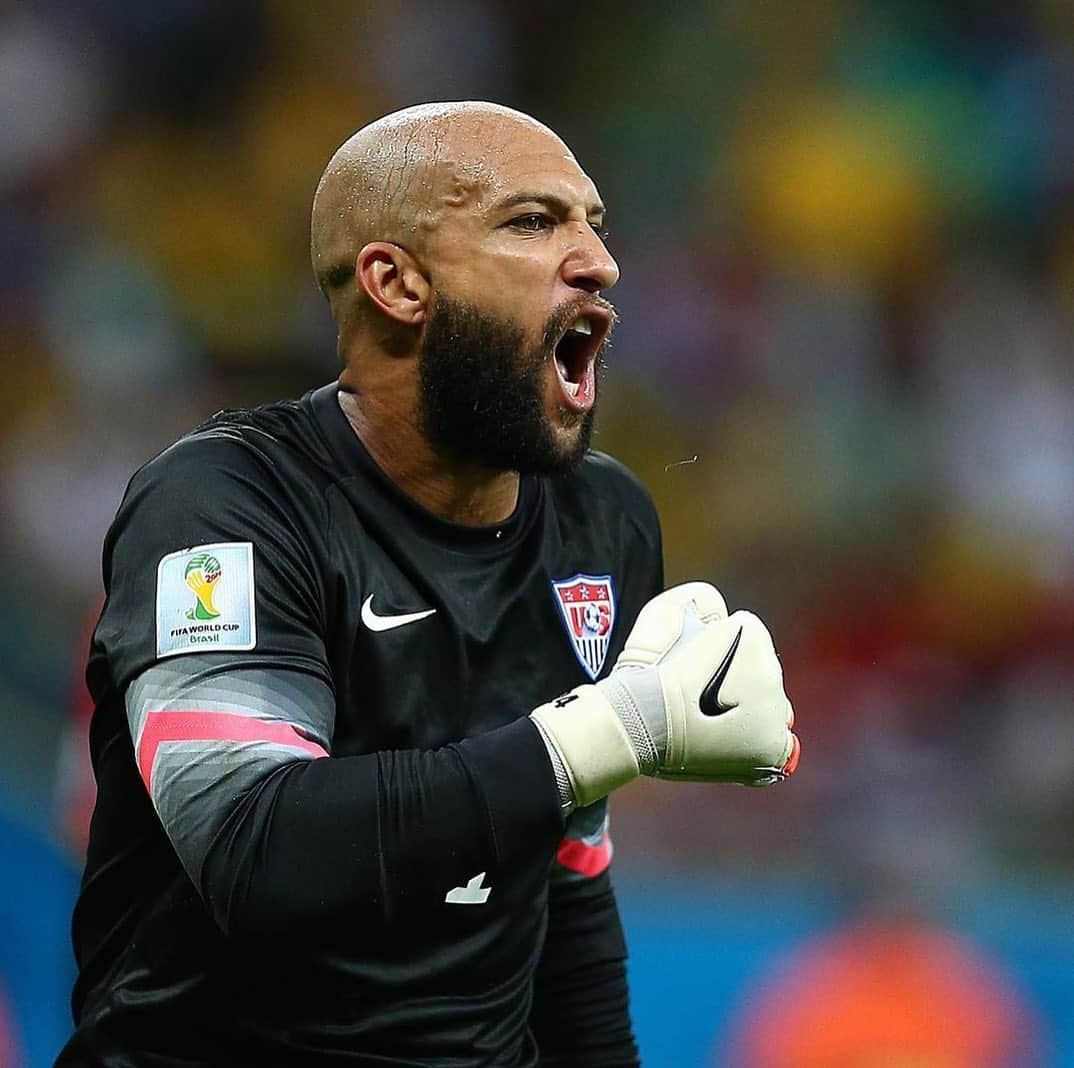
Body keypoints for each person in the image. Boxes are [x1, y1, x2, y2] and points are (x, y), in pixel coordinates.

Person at [58, 101, 799, 1067]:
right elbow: (253, 845)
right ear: (397, 283)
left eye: (595, 224)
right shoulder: (228, 504)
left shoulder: (602, 521)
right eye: (533, 223)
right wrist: (614, 731)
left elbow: (564, 888)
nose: (599, 263)